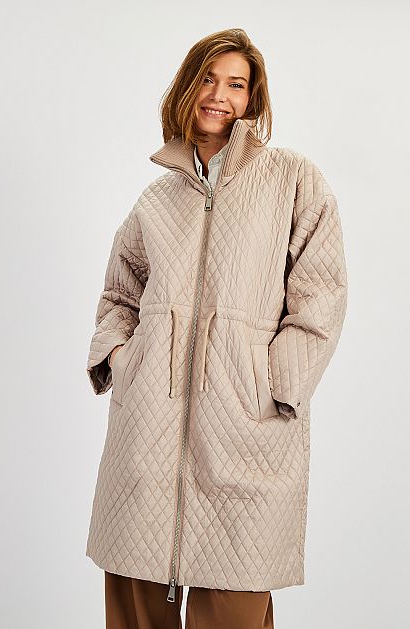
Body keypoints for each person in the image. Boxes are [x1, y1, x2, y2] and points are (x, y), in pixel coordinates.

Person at [85, 28, 348, 629]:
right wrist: (124, 359)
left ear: (253, 99)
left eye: (236, 84)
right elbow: (119, 295)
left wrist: (273, 383)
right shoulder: (156, 199)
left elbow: (321, 296)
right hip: (147, 432)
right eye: (208, 79)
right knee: (136, 599)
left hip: (247, 428)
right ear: (186, 88)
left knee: (234, 603)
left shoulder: (293, 181)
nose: (219, 96)